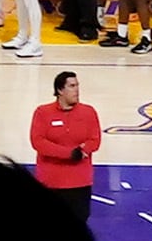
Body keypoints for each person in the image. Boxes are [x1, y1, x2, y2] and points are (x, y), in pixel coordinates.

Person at [26, 70, 102, 227]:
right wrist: (69, 153)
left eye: (77, 85)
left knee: (78, 224)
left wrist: (82, 150)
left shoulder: (88, 112)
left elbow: (95, 140)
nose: (77, 90)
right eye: (72, 86)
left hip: (79, 181)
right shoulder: (43, 113)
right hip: (51, 181)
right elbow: (38, 142)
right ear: (60, 90)